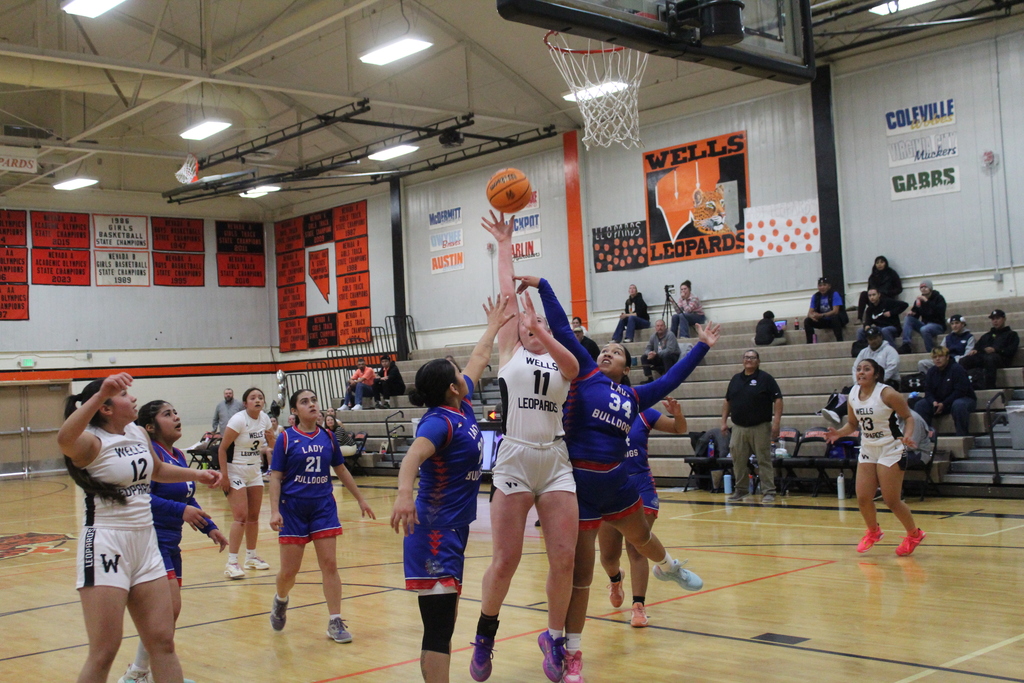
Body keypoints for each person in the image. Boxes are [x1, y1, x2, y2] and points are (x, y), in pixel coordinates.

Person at [522, 274, 719, 683]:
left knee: (643, 538)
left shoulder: (633, 397)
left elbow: (670, 380)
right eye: (605, 350)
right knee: (582, 578)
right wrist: (544, 284)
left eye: (615, 351)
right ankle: (571, 654)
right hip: (579, 489)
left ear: (627, 367)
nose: (607, 353)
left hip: (617, 483)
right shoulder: (583, 377)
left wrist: (701, 346)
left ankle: (668, 566)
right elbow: (559, 327)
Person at [471, 212, 581, 683]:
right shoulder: (511, 352)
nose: (527, 325)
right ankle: (485, 635)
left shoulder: (560, 359)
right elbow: (508, 300)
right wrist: (505, 243)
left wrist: (548, 332)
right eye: (524, 324)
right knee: (507, 559)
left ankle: (554, 638)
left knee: (564, 559)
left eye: (533, 324)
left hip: (555, 460)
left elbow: (574, 369)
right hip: (514, 456)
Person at [57, 373, 221, 683]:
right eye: (123, 395)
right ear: (105, 408)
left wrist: (197, 475)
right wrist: (102, 391)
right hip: (107, 543)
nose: (133, 398)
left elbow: (156, 470)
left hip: (146, 543)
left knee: (163, 642)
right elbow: (63, 439)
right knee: (104, 650)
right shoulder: (90, 442)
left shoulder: (135, 432)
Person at [390, 295, 514, 683]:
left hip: (454, 529)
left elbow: (477, 357)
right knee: (439, 630)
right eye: (459, 372)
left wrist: (493, 325)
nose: (467, 372)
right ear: (451, 387)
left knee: (448, 619)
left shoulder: (460, 406)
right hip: (433, 533)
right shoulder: (438, 422)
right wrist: (403, 495)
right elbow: (411, 459)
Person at [119, 401, 229, 683]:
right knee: (166, 610)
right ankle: (138, 674)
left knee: (168, 613)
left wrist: (211, 528)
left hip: (172, 542)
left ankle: (141, 672)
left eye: (176, 412)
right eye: (167, 414)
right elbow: (143, 496)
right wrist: (182, 511)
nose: (176, 417)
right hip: (151, 541)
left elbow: (187, 496)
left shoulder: (178, 455)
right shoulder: (148, 455)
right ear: (150, 427)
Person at [268, 389, 375, 642]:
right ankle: (281, 599)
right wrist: (274, 511)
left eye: (314, 400)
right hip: (292, 508)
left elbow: (341, 469)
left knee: (329, 565)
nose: (312, 404)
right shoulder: (286, 438)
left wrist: (360, 498)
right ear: (294, 411)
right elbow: (275, 477)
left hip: (323, 507)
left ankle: (335, 621)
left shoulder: (328, 436)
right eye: (305, 402)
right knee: (288, 572)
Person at [599, 397, 687, 628]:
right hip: (608, 486)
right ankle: (615, 578)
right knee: (608, 556)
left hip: (640, 487)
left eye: (616, 356)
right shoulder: (596, 409)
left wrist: (677, 414)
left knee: (636, 545)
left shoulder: (643, 413)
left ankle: (638, 606)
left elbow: (680, 428)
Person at [827, 359, 926, 556]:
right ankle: (874, 532)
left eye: (867, 369)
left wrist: (908, 435)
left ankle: (914, 534)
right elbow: (853, 425)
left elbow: (908, 416)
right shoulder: (853, 394)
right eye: (859, 369)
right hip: (868, 448)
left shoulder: (887, 393)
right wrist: (838, 433)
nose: (861, 372)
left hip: (890, 448)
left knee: (891, 500)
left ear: (876, 374)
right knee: (863, 497)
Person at [219, 387, 276, 579]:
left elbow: (272, 446)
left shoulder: (265, 419)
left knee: (253, 516)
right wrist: (224, 476)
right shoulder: (238, 420)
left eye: (260, 397)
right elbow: (222, 448)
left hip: (254, 471)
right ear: (245, 403)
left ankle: (251, 557)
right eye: (253, 398)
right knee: (240, 517)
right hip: (235, 469)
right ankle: (232, 562)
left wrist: (272, 440)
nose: (257, 400)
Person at [721, 350, 783, 505]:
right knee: (738, 460)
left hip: (760, 426)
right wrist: (723, 422)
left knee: (764, 459)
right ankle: (741, 490)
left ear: (758, 361)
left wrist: (776, 422)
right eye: (746, 357)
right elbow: (727, 401)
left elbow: (778, 399)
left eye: (752, 357)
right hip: (738, 427)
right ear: (743, 360)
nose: (749, 360)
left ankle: (768, 491)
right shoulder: (735, 379)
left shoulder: (766, 379)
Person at [915, 347, 976, 436]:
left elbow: (960, 391)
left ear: (947, 357)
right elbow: (928, 391)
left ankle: (962, 435)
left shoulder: (957, 369)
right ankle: (925, 437)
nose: (937, 359)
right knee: (920, 405)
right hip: (941, 402)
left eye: (940, 356)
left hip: (963, 399)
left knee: (959, 405)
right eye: (935, 357)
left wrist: (944, 403)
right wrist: (933, 402)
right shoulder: (931, 371)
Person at [959, 309, 1020, 390]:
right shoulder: (987, 335)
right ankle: (964, 387)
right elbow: (978, 347)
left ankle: (989, 387)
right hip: (985, 358)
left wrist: (996, 350)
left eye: (997, 318)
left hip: (1002, 359)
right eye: (993, 319)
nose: (995, 321)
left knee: (990, 358)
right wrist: (975, 350)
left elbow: (1010, 351)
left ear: (1004, 319)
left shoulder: (1012, 335)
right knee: (964, 360)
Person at [899, 280, 946, 353]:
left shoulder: (939, 298)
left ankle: (930, 351)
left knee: (924, 329)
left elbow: (939, 313)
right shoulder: (919, 300)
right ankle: (906, 344)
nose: (923, 289)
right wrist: (912, 313)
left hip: (938, 325)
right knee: (908, 319)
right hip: (925, 324)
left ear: (930, 288)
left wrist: (926, 301)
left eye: (925, 287)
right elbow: (916, 313)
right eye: (921, 287)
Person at [857, 256, 903, 321]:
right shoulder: (873, 276)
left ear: (885, 263)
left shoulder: (891, 274)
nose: (879, 264)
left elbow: (899, 289)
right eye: (877, 263)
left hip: (887, 297)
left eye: (882, 262)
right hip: (874, 298)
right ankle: (859, 318)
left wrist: (887, 292)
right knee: (864, 294)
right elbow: (869, 289)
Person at [804, 277, 846, 343]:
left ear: (829, 286)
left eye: (824, 285)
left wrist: (822, 315)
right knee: (807, 321)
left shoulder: (834, 294)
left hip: (835, 320)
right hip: (823, 320)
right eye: (820, 285)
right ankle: (810, 342)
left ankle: (840, 341)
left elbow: (835, 311)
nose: (822, 287)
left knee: (835, 318)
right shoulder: (815, 296)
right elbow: (810, 312)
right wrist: (812, 316)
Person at [641, 319, 682, 383]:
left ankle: (669, 378)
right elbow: (648, 348)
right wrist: (649, 353)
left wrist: (656, 354)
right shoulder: (653, 336)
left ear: (665, 327)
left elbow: (670, 350)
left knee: (666, 355)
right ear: (655, 327)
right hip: (659, 356)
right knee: (644, 357)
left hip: (672, 356)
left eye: (661, 326)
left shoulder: (670, 335)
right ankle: (650, 378)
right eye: (658, 326)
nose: (659, 328)